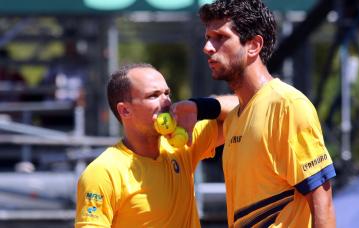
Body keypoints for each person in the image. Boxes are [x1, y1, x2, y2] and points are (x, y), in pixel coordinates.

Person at [189, 0, 337, 227]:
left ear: (254, 45)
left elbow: (322, 201)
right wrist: (198, 107)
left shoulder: (287, 105)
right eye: (208, 37)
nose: (208, 47)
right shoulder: (235, 118)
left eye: (220, 37)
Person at [74, 63, 236, 227]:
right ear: (125, 111)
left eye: (167, 93)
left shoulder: (182, 144)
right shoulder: (103, 172)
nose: (166, 101)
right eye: (153, 95)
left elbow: (243, 108)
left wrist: (199, 106)